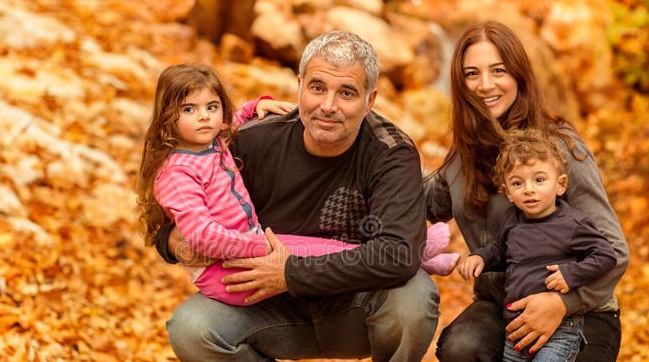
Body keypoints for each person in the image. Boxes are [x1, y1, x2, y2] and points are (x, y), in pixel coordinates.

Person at [154, 31, 441, 362]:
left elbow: (398, 254)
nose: (328, 106)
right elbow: (177, 201)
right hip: (266, 305)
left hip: (354, 308)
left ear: (370, 100)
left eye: (347, 93)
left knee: (415, 296)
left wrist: (293, 272)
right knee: (191, 327)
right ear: (300, 85)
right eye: (318, 87)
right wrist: (172, 241)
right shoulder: (254, 142)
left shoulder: (390, 152)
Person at [426, 20, 649, 362]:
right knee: (461, 349)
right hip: (504, 307)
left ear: (519, 74)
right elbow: (412, 201)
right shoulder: (461, 158)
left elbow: (613, 249)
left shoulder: (560, 148)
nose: (485, 85)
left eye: (498, 70)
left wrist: (562, 302)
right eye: (472, 74)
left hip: (581, 312)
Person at [137, 64, 458, 307]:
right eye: (189, 110)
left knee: (336, 253)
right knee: (329, 252)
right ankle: (416, 252)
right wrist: (257, 247)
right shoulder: (177, 173)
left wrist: (254, 106)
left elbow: (231, 121)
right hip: (230, 271)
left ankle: (415, 251)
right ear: (168, 118)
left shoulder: (212, 141)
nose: (204, 117)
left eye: (211, 107)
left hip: (246, 247)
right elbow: (200, 235)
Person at [459, 129, 618, 362]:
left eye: (539, 179)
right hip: (516, 320)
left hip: (561, 325)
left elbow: (606, 255)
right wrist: (480, 258)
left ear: (560, 185)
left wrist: (571, 277)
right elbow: (500, 250)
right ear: (508, 192)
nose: (529, 189)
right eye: (518, 183)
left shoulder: (573, 224)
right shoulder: (513, 221)